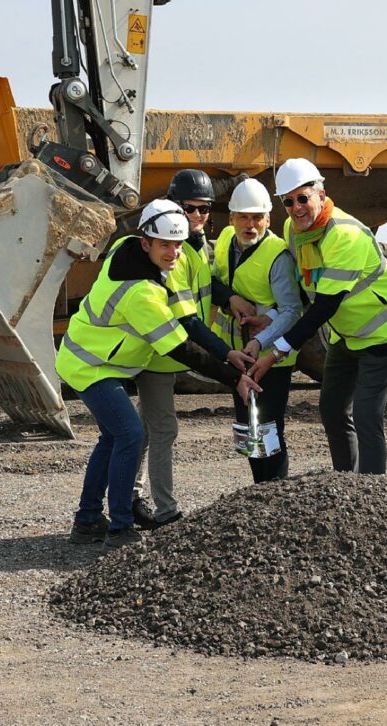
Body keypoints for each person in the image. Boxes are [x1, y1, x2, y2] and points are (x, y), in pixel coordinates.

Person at [56, 199, 259, 552]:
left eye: (178, 245)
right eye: (165, 244)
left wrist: (226, 356)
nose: (174, 253)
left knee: (112, 438)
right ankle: (119, 528)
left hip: (90, 356)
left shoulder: (125, 246)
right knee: (130, 435)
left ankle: (86, 520)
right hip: (90, 366)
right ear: (146, 241)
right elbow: (181, 348)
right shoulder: (142, 295)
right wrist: (233, 377)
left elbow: (186, 322)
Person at [246, 158, 387, 475]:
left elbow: (321, 305)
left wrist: (275, 350)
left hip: (373, 336)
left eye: (302, 198)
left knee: (363, 415)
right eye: (288, 202)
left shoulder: (343, 236)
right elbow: (301, 292)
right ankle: (264, 491)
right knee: (267, 420)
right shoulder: (232, 244)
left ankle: (366, 491)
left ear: (321, 193)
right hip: (252, 352)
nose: (295, 207)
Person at [131, 170, 247, 530]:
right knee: (163, 430)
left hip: (173, 352)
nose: (198, 216)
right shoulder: (174, 254)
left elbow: (206, 284)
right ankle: (166, 513)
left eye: (205, 209)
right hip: (163, 354)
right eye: (190, 208)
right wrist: (227, 356)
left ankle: (127, 498)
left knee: (144, 430)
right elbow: (188, 322)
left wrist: (230, 299)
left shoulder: (194, 246)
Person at [209, 178, 302, 482]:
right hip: (238, 355)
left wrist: (260, 339)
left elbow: (291, 310)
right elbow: (213, 281)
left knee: (268, 427)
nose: (251, 225)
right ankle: (258, 491)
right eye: (244, 217)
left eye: (257, 218)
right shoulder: (224, 239)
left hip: (270, 358)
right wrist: (229, 298)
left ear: (268, 219)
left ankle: (274, 493)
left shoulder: (278, 255)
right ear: (232, 217)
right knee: (247, 426)